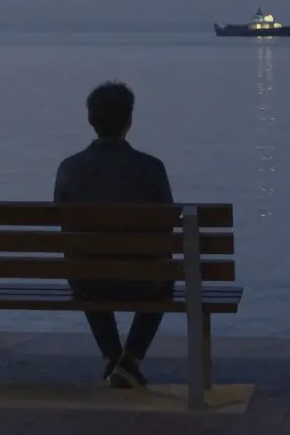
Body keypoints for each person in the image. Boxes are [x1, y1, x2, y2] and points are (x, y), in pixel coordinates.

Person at [53, 80, 174, 389]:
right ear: (129, 120)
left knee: (86, 262)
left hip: (88, 280)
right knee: (167, 273)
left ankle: (112, 357)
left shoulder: (69, 168)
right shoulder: (151, 167)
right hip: (144, 280)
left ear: (90, 119)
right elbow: (167, 226)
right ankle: (130, 360)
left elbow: (64, 225)